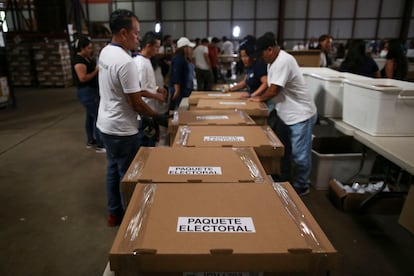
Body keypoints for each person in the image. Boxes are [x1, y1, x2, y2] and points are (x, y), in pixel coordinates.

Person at [97, 9, 158, 227]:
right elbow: (136, 102)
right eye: (136, 33)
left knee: (113, 169)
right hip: (122, 129)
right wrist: (156, 116)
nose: (138, 38)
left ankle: (114, 214)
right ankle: (132, 222)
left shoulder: (105, 52)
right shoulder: (126, 62)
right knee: (129, 176)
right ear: (123, 33)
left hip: (105, 125)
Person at [251, 32, 317, 197]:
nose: (261, 58)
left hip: (300, 115)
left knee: (299, 156)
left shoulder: (283, 61)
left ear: (270, 49)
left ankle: (302, 186)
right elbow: (271, 86)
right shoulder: (272, 63)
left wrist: (258, 98)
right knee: (284, 151)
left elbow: (274, 90)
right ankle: (285, 179)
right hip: (285, 114)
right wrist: (255, 97)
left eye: (261, 54)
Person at [133, 31, 168, 147]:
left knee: (153, 140)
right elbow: (140, 91)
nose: (158, 50)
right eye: (156, 47)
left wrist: (157, 89)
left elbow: (147, 84)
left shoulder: (147, 60)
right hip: (144, 113)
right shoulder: (140, 64)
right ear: (148, 46)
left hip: (151, 110)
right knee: (147, 145)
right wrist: (157, 96)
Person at [72, 36, 105, 152]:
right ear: (82, 48)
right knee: (97, 117)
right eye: (89, 48)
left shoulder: (86, 58)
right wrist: (96, 70)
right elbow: (83, 78)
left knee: (90, 117)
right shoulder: (78, 60)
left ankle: (91, 140)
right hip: (86, 92)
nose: (91, 50)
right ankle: (101, 145)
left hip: (91, 91)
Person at [168, 37, 195, 110]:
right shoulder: (178, 59)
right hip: (179, 89)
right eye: (189, 47)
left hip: (183, 88)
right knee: (178, 108)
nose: (190, 49)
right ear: (184, 48)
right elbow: (177, 75)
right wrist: (177, 90)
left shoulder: (183, 58)